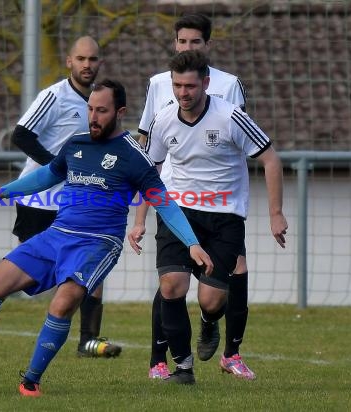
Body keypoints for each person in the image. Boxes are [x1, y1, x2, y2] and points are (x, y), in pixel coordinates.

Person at [0, 79, 214, 397]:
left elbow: (165, 203)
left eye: (101, 111)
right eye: (90, 108)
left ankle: (31, 381)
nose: (93, 116)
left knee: (62, 304)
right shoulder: (76, 144)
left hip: (98, 243)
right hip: (55, 235)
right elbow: (45, 175)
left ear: (120, 112)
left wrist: (192, 243)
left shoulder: (134, 156)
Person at [129, 50, 288, 383]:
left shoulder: (230, 117)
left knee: (212, 300)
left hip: (223, 217)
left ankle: (210, 320)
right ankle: (183, 369)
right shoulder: (164, 118)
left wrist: (276, 214)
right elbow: (151, 172)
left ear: (205, 83)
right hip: (177, 212)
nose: (183, 93)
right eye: (177, 85)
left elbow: (271, 160)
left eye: (189, 86)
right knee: (171, 285)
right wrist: (140, 219)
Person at [0, 35, 121, 358]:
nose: (87, 65)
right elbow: (21, 135)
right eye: (80, 59)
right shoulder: (54, 96)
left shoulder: (101, 104)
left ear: (99, 63)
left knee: (90, 270)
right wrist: (57, 168)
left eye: (93, 60)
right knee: (21, 278)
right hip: (38, 202)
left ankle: (88, 340)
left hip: (76, 203)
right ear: (69, 61)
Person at [137, 13, 249, 380]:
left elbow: (241, 141)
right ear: (175, 44)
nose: (188, 47)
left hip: (221, 201)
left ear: (207, 46)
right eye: (182, 41)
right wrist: (140, 212)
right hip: (173, 198)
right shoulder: (158, 84)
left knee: (222, 283)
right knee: (171, 281)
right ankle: (162, 361)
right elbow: (147, 146)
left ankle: (225, 344)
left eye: (195, 42)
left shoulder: (230, 86)